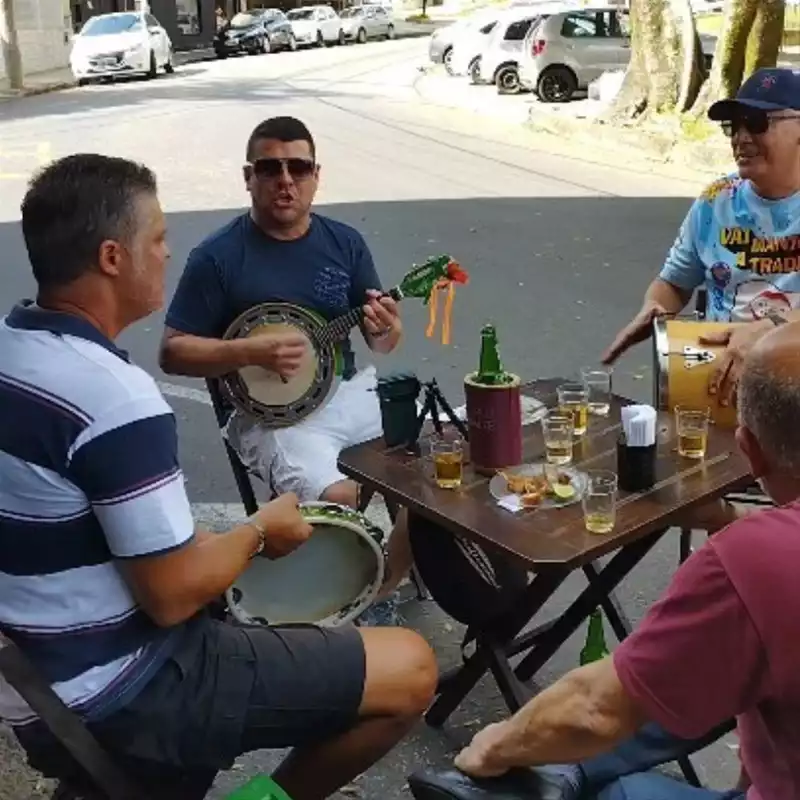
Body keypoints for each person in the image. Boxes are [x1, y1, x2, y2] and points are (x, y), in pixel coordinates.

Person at [1, 153, 438, 800]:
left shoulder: (17, 352)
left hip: (35, 678)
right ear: (113, 258)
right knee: (410, 668)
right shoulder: (113, 397)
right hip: (124, 688)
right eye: (157, 239)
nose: (167, 253)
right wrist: (259, 532)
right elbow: (173, 595)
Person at [410, 319, 800, 799]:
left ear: (749, 451)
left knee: (617, 788)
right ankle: (569, 769)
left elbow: (594, 709)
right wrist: (731, 516)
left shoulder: (756, 561)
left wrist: (491, 748)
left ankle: (562, 775)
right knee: (700, 668)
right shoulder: (766, 555)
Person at [159, 116, 412, 623]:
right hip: (272, 420)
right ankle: (337, 589)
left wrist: (387, 325)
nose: (285, 179)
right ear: (248, 177)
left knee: (431, 473)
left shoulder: (345, 243)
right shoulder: (217, 257)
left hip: (347, 396)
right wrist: (248, 354)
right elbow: (172, 352)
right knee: (340, 497)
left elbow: (383, 341)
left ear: (316, 174)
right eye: (270, 168)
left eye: (298, 167)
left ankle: (382, 584)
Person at [601, 66, 800, 535]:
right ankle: (736, 540)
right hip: (714, 407)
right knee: (662, 493)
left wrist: (775, 329)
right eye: (734, 126)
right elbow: (673, 282)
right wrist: (655, 310)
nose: (741, 138)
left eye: (758, 123)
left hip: (792, 417)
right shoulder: (715, 202)